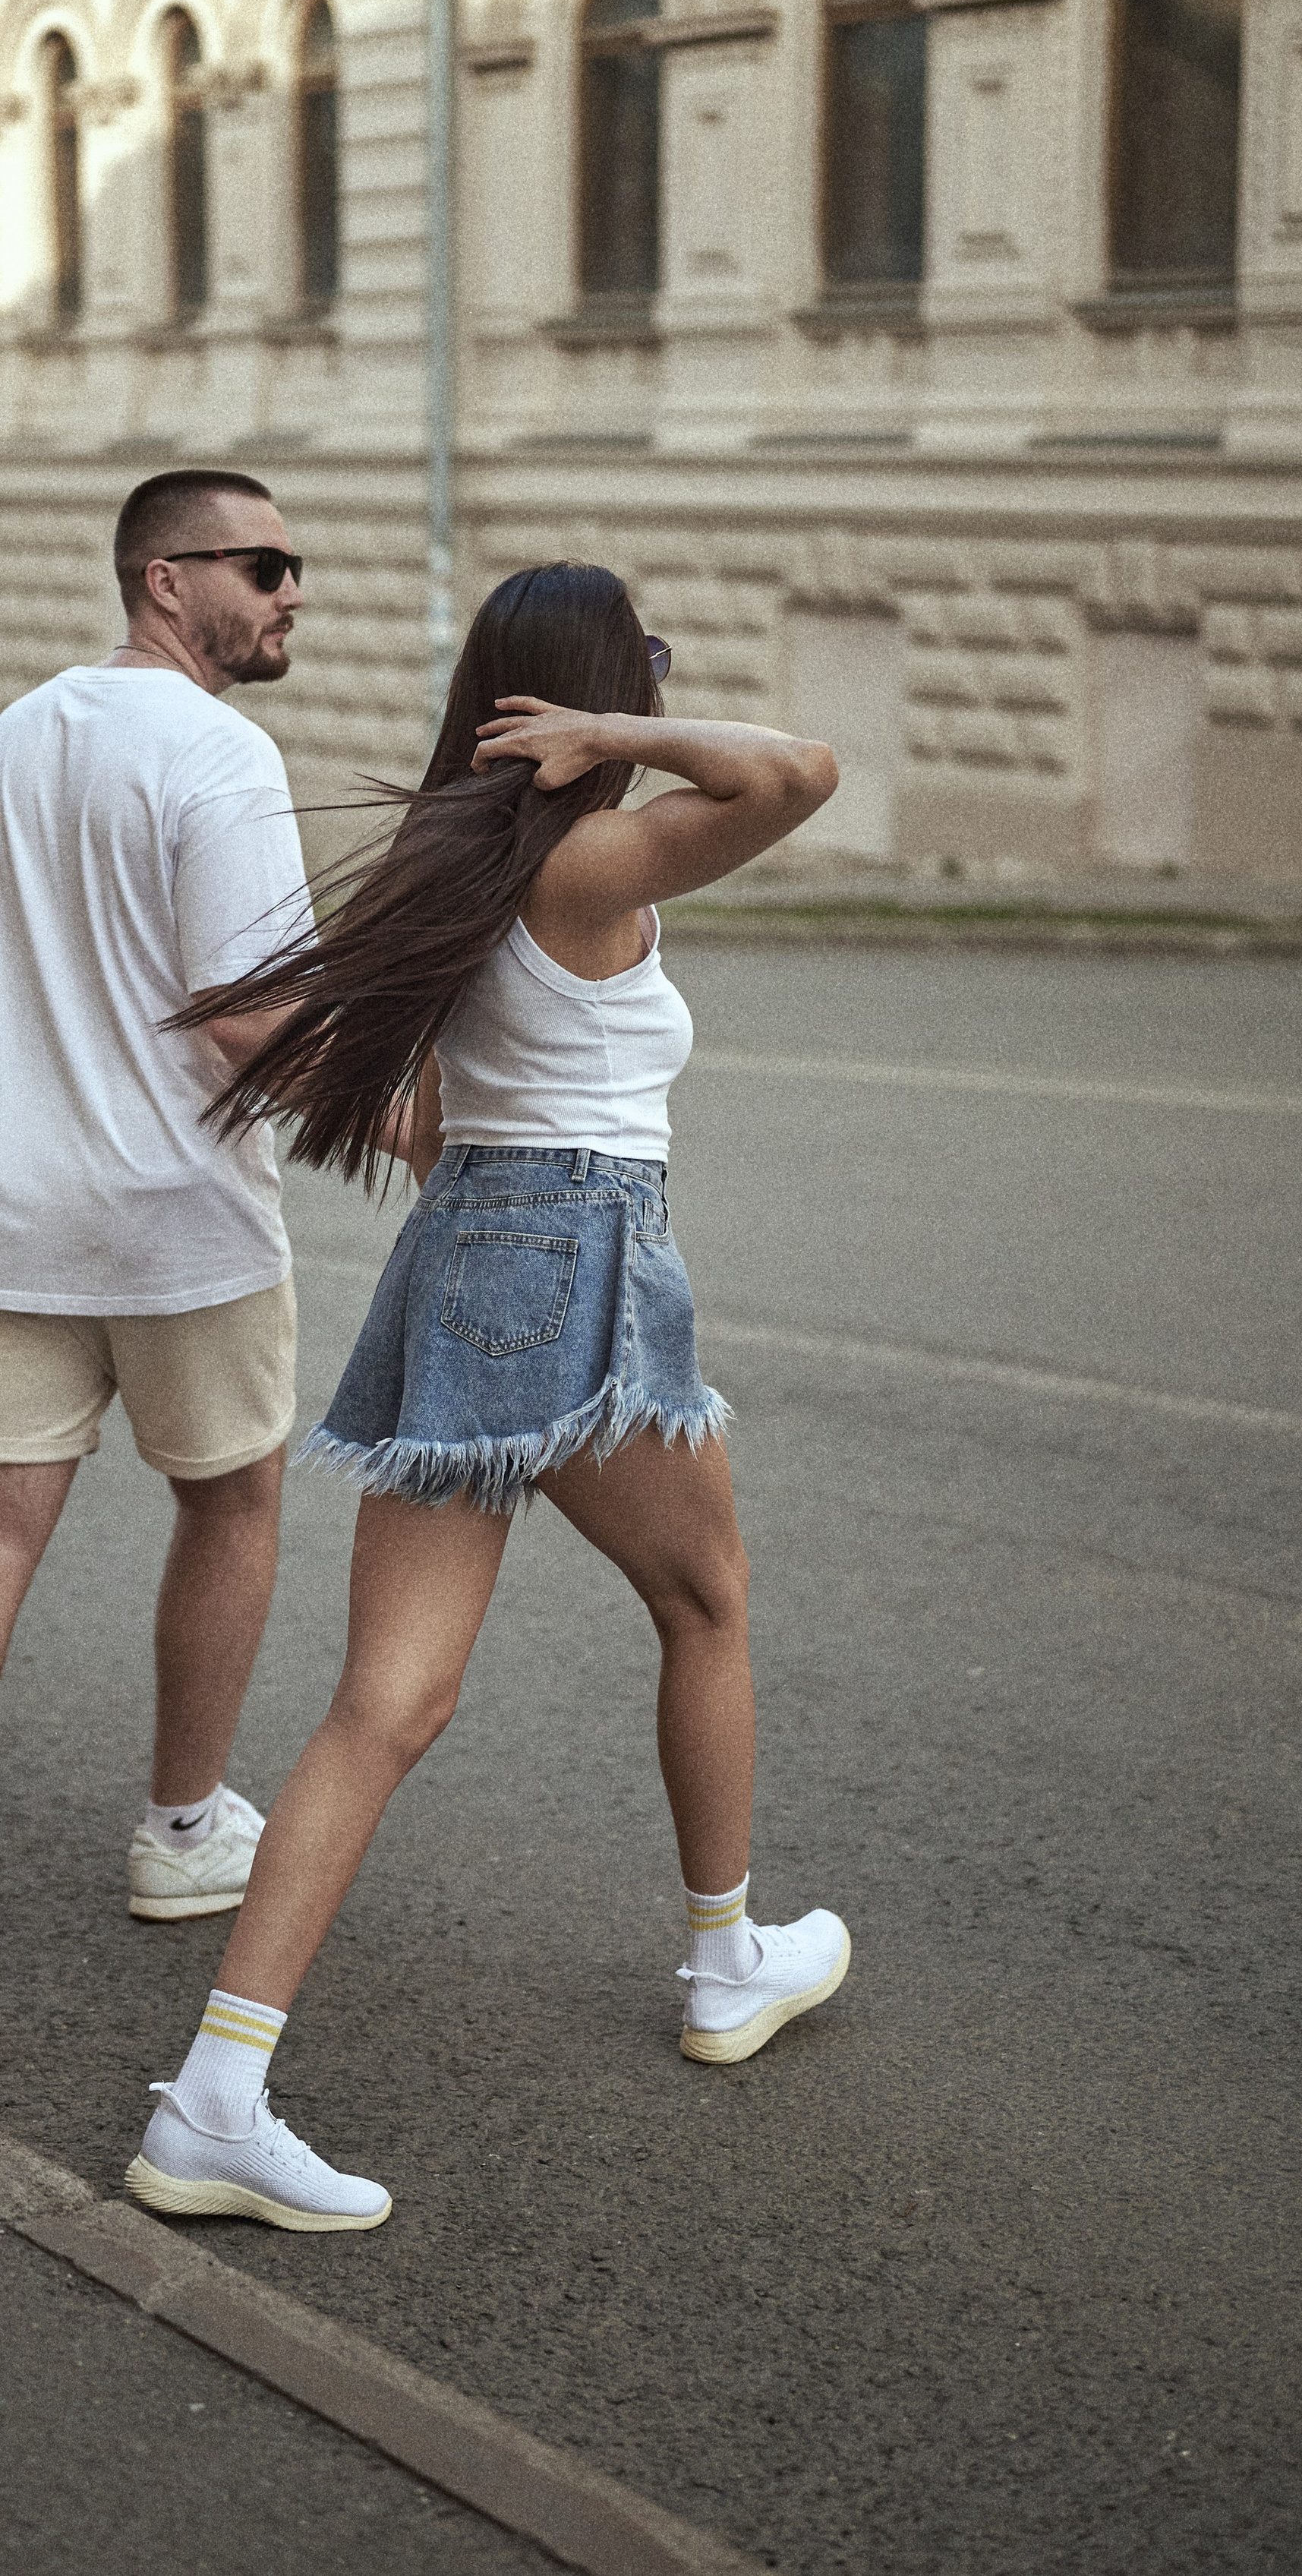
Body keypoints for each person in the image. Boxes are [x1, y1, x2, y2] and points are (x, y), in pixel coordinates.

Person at [121, 563, 846, 2232]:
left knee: (386, 1704)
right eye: (636, 665)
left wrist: (469, 1165)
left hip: (464, 1259)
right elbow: (797, 770)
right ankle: (725, 1960)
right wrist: (623, 732)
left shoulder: (470, 864)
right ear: (582, 689)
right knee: (706, 1601)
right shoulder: (590, 858)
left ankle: (211, 2097)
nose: (652, 689)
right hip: (576, 1257)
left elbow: (396, 1092)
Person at [0, 469, 317, 2002]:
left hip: (4, 1201)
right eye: (261, 563)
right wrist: (395, 1117)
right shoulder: (223, 757)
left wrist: (28, 1110)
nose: (289, 589)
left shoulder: (5, 741)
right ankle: (182, 1828)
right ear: (162, 580)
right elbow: (247, 1010)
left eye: (293, 564)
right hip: (179, 1214)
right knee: (231, 1497)